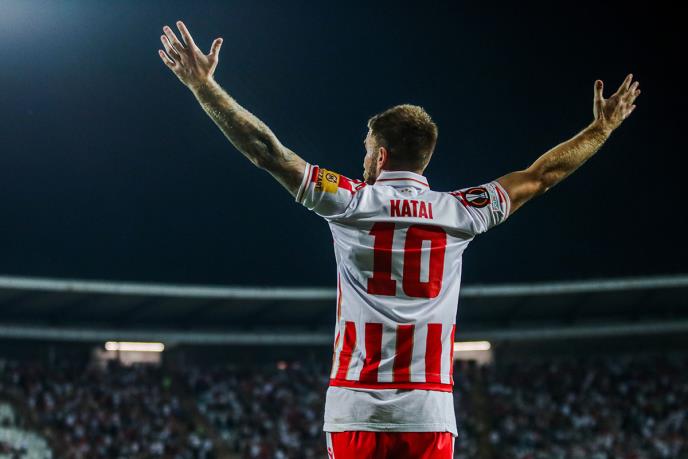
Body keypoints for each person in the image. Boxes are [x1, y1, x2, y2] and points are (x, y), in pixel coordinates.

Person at [158, 20, 641, 459]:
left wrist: (204, 87)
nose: (362, 157)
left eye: (366, 148)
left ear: (382, 156)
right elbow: (541, 176)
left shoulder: (350, 201)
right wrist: (601, 128)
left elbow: (268, 151)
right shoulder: (460, 211)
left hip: (355, 408)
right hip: (428, 411)